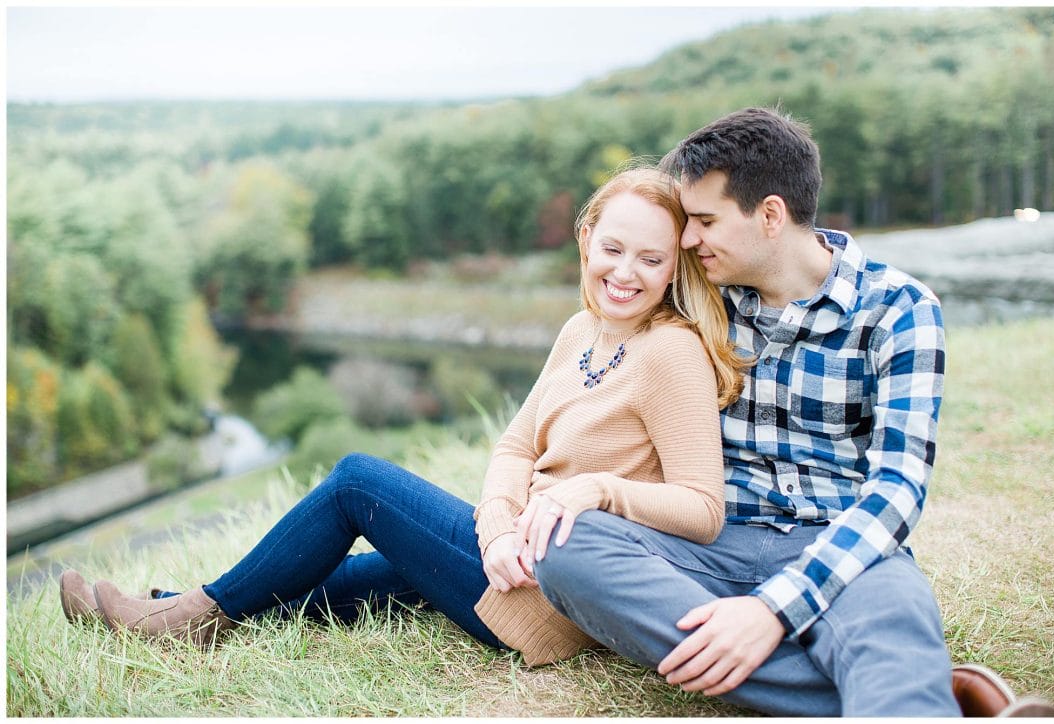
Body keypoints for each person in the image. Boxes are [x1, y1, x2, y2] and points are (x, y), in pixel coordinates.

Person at [59, 166, 747, 669]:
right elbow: (513, 447)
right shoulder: (583, 329)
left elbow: (701, 508)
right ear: (586, 238)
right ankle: (169, 604)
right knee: (359, 577)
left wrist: (595, 491)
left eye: (651, 259)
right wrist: (499, 527)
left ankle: (182, 618)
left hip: (554, 594)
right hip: (508, 559)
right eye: (614, 249)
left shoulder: (670, 353)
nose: (626, 272)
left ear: (672, 268)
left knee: (359, 483)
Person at [529, 107, 963, 716]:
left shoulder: (899, 309)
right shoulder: (699, 295)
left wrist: (769, 610)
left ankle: (889, 684)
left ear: (770, 215)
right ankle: (879, 688)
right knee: (570, 545)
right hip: (712, 544)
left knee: (892, 617)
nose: (685, 239)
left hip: (840, 542)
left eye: (704, 220)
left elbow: (898, 489)